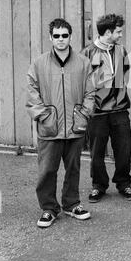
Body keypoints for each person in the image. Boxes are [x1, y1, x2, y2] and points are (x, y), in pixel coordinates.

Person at [26, 18, 95, 228]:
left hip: (75, 128)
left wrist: (83, 115)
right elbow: (31, 93)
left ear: (70, 37)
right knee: (47, 170)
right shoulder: (39, 63)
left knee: (73, 168)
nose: (61, 39)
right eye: (56, 36)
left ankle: (71, 204)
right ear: (50, 37)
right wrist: (44, 116)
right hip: (50, 129)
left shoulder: (83, 62)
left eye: (64, 35)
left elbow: (90, 93)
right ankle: (49, 208)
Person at [82, 13, 131, 202]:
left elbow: (128, 76)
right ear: (107, 32)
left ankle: (124, 183)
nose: (121, 35)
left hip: (120, 110)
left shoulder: (121, 51)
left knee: (124, 149)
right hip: (97, 112)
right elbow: (83, 84)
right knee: (97, 151)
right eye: (118, 31)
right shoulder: (87, 53)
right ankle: (98, 185)